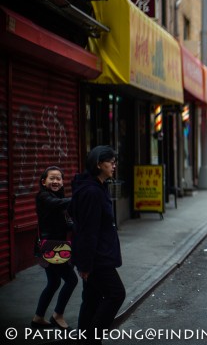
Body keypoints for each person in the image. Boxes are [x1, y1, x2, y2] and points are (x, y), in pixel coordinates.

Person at [70, 146, 125, 342]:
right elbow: (87, 231)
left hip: (97, 255)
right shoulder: (92, 192)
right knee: (116, 294)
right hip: (97, 258)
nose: (114, 165)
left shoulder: (97, 186)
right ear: (98, 164)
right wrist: (85, 264)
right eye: (111, 162)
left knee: (92, 299)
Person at [32, 166, 78, 330]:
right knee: (71, 280)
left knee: (53, 282)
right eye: (52, 178)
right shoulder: (44, 197)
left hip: (52, 246)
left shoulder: (57, 197)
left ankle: (38, 317)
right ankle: (57, 314)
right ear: (43, 182)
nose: (56, 181)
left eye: (59, 178)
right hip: (52, 248)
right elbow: (56, 204)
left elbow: (64, 221)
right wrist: (79, 197)